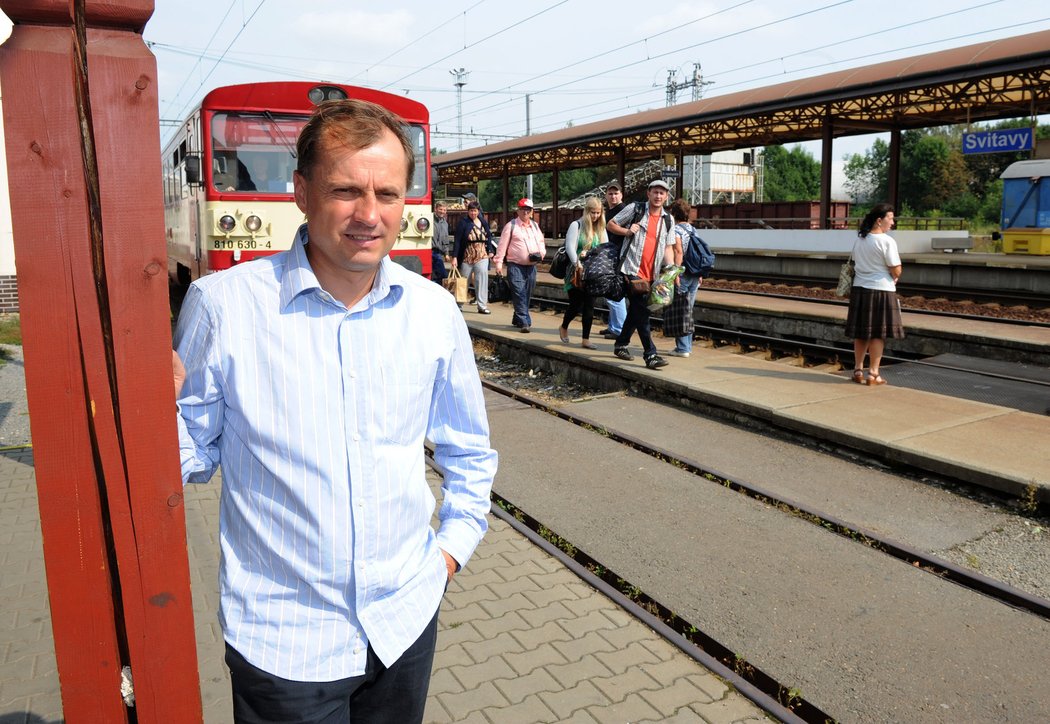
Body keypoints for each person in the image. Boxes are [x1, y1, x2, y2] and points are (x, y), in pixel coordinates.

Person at [172, 98, 497, 724]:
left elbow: (469, 452)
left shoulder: (434, 313)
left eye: (388, 193)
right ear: (300, 192)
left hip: (403, 625)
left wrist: (448, 555)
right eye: (346, 191)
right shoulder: (226, 308)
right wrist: (138, 408)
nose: (369, 215)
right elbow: (188, 456)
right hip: (284, 643)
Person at [606, 179, 676, 370]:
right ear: (649, 193)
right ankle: (650, 354)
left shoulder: (668, 219)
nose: (658, 196)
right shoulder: (635, 209)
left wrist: (671, 271)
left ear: (666, 196)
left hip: (652, 274)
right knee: (643, 312)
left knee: (638, 311)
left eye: (662, 193)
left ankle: (621, 344)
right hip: (631, 270)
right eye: (655, 192)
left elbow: (668, 247)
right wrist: (627, 232)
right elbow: (611, 224)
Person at [844, 202, 904, 385]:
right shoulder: (887, 241)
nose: (892, 223)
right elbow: (897, 270)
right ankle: (873, 374)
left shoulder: (860, 240)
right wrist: (894, 275)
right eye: (890, 218)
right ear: (880, 220)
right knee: (877, 334)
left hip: (860, 290)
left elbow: (856, 263)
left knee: (861, 333)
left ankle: (857, 370)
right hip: (881, 291)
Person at [558, 196, 606, 349]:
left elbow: (605, 247)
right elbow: (570, 247)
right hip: (576, 272)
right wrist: (577, 263)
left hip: (592, 273)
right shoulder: (576, 225)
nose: (595, 216)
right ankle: (564, 326)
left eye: (598, 213)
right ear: (587, 211)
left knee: (590, 306)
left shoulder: (600, 227)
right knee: (576, 304)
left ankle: (586, 339)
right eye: (593, 213)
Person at [493, 197, 546, 332]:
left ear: (532, 211)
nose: (525, 212)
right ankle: (524, 321)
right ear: (518, 210)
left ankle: (517, 317)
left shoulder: (535, 226)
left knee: (527, 293)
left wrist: (542, 253)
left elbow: (540, 241)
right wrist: (498, 263)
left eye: (528, 210)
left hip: (531, 266)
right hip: (515, 265)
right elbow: (502, 246)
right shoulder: (511, 226)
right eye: (523, 209)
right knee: (519, 292)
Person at [665, 198, 701, 357]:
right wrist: (699, 274)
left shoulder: (676, 230)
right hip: (694, 274)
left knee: (681, 311)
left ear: (673, 214)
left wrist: (675, 273)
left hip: (683, 274)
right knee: (689, 310)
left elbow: (678, 252)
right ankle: (686, 347)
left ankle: (682, 348)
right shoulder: (693, 230)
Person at [452, 201, 493, 314]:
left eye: (475, 211)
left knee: (482, 279)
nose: (473, 213)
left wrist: (490, 250)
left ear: (478, 211)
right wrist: (455, 257)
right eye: (471, 211)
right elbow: (458, 241)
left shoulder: (483, 222)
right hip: (467, 254)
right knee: (464, 280)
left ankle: (482, 305)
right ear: (468, 211)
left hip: (482, 254)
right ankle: (459, 304)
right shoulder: (463, 223)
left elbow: (489, 236)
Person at [600, 180, 628, 340]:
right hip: (610, 255)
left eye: (616, 193)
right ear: (606, 195)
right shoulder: (609, 212)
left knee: (615, 293)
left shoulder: (623, 210)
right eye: (610, 193)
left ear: (621, 195)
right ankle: (613, 326)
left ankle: (619, 329)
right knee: (610, 292)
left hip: (617, 256)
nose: (613, 196)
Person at [430, 201, 451, 284]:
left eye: (444, 210)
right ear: (436, 209)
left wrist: (446, 253)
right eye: (440, 209)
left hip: (437, 253)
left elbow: (445, 239)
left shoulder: (445, 223)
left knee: (442, 275)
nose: (442, 212)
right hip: (428, 251)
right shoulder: (429, 219)